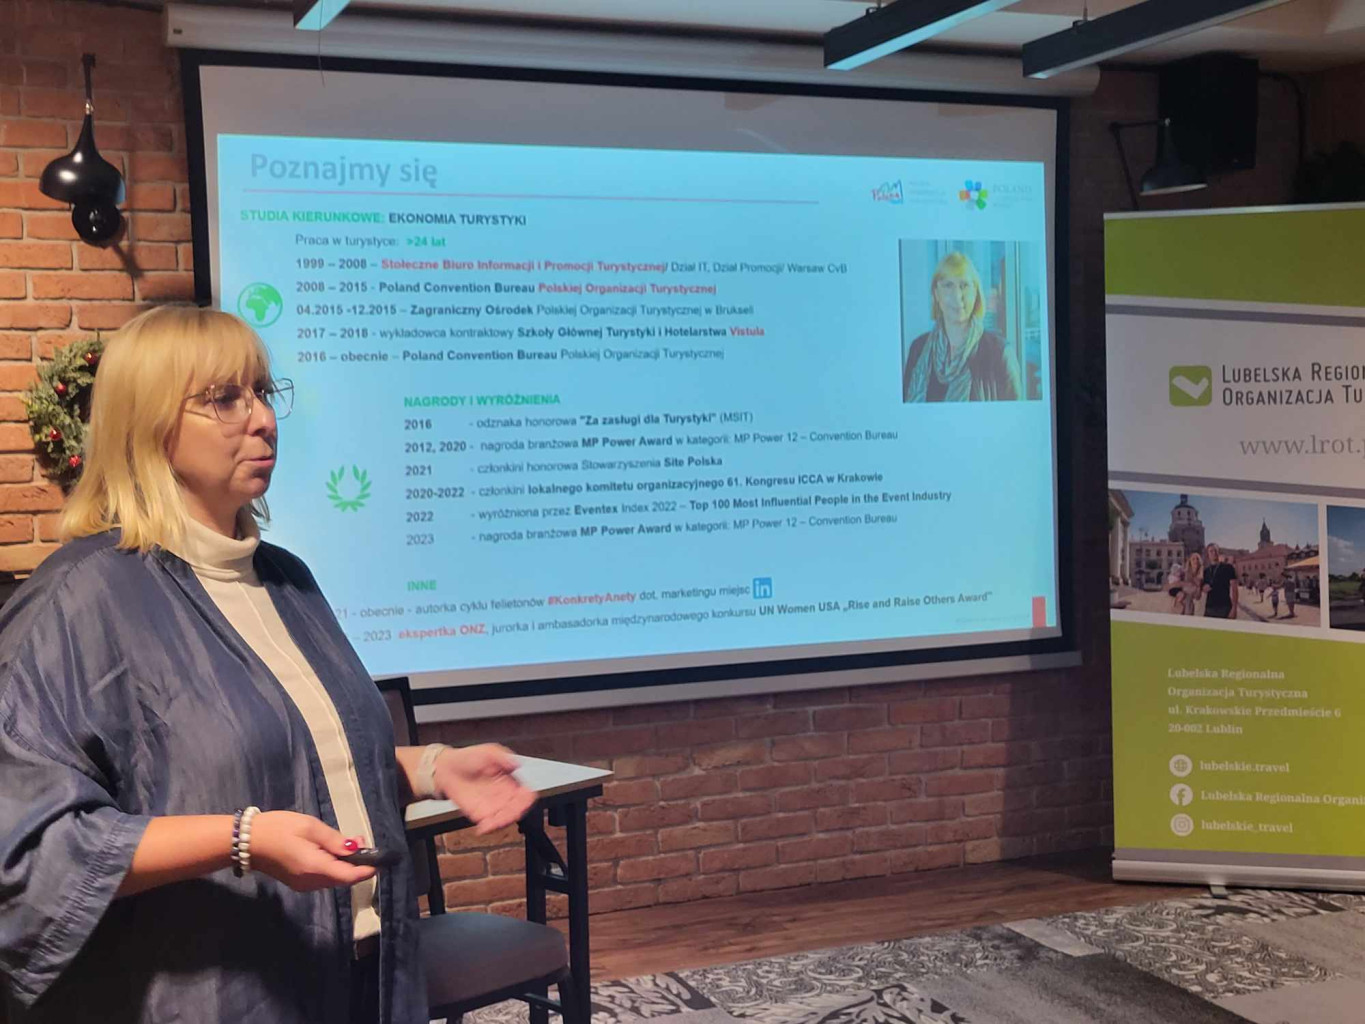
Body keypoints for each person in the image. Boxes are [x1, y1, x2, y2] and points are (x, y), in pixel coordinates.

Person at [0, 307, 537, 1024]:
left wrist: (432, 768)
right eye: (225, 399)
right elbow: (29, 847)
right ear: (149, 424)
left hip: (366, 975)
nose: (262, 420)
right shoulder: (79, 599)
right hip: (213, 996)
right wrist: (242, 841)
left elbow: (294, 761)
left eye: (261, 392)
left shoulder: (287, 579)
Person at [903, 251, 1022, 403]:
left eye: (964, 285)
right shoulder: (918, 349)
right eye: (948, 285)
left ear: (976, 292)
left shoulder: (1001, 353)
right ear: (936, 294)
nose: (957, 296)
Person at [1202, 543, 1239, 619]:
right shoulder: (1205, 571)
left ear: (1219, 552)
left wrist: (1234, 608)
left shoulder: (1228, 567)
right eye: (1211, 551)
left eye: (1215, 550)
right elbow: (1203, 587)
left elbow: (1234, 589)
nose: (1214, 553)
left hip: (1224, 607)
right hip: (1209, 608)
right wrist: (1204, 588)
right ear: (1208, 554)